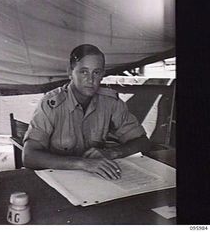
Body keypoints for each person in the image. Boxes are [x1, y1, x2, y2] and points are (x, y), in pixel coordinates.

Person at [22, 44, 151, 180]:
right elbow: (29, 156)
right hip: (59, 180)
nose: (90, 80)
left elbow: (143, 142)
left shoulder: (111, 102)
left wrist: (112, 153)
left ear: (102, 74)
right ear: (70, 72)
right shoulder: (51, 104)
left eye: (96, 72)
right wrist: (83, 164)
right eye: (84, 72)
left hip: (95, 179)